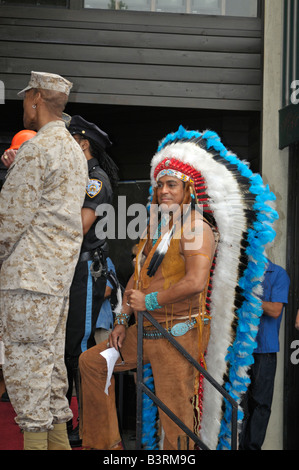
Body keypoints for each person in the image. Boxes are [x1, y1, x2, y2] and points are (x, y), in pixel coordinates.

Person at [79, 127, 278, 450]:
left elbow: (196, 282)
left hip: (178, 335)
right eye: (160, 185)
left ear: (189, 190)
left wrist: (150, 299)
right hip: (144, 329)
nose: (163, 191)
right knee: (93, 363)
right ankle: (106, 447)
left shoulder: (198, 227)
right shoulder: (157, 225)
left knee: (176, 418)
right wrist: (121, 318)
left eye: (171, 184)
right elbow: (138, 275)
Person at [0, 71, 88, 450]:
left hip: (27, 279)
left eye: (25, 98)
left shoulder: (37, 149)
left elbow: (9, 220)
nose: (23, 106)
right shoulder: (73, 150)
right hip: (55, 282)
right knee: (51, 372)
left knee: (25, 371)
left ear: (36, 97)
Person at [64, 115, 119, 447]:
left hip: (86, 271)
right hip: (73, 272)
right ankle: (77, 420)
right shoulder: (78, 175)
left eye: (71, 139)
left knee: (81, 347)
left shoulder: (94, 180)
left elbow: (79, 227)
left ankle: (88, 426)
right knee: (70, 349)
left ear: (83, 144)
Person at [239, 259, 290, 450]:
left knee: (261, 405)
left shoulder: (278, 274)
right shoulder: (241, 272)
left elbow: (275, 310)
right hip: (239, 349)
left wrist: (249, 298)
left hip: (265, 350)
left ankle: (251, 448)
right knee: (238, 404)